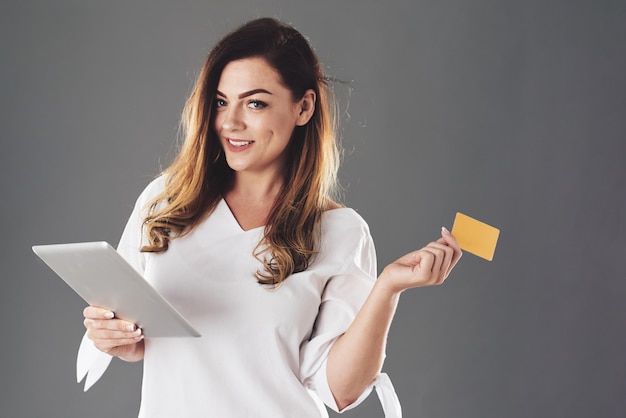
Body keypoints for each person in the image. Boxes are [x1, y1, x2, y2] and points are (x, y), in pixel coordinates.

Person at [80, 17, 462, 418]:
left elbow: (341, 391)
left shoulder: (340, 232)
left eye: (256, 103)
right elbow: (133, 333)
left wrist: (387, 289)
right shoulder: (165, 202)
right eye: (221, 101)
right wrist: (114, 337)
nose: (231, 122)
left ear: (304, 107)